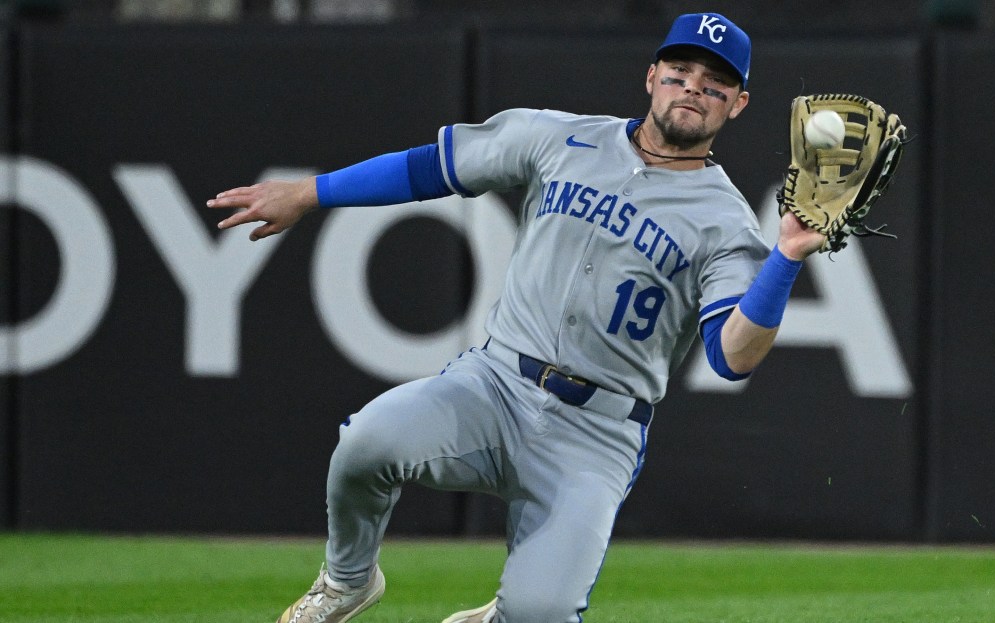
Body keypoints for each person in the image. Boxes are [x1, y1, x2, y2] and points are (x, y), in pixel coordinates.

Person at [207, 12, 826, 623]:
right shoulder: (561, 138)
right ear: (651, 76)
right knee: (366, 443)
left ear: (737, 104)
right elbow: (431, 169)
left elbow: (733, 355)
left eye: (714, 81)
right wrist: (308, 193)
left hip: (596, 435)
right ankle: (347, 581)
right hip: (494, 385)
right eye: (680, 69)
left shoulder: (728, 224)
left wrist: (788, 257)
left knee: (541, 614)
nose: (693, 86)